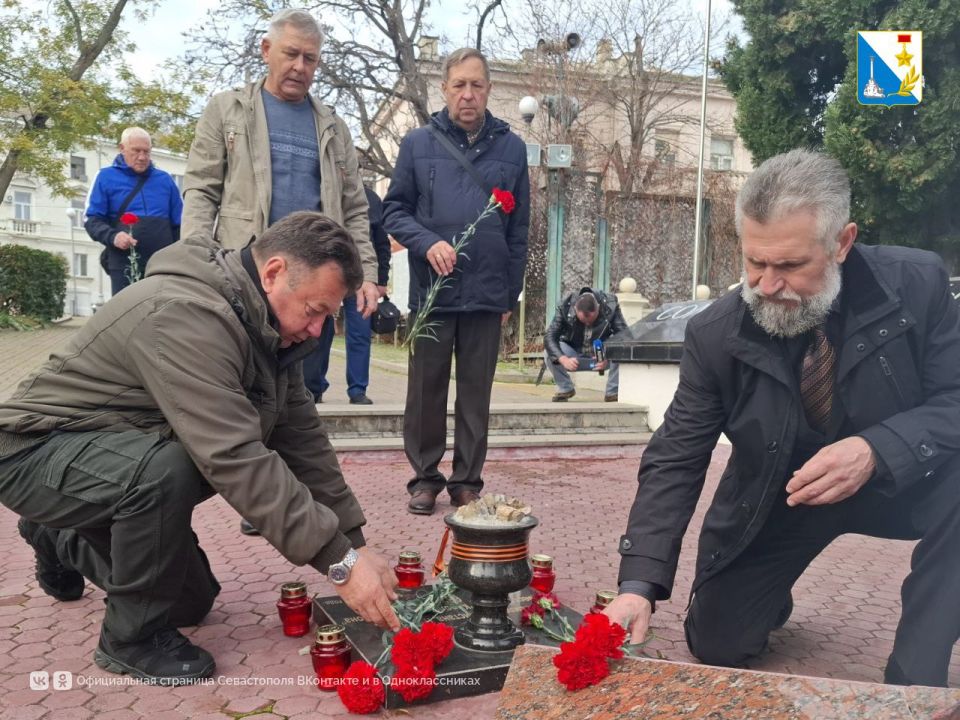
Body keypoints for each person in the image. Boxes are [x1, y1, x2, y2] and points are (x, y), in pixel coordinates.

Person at [604, 149, 960, 688]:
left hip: (900, 482)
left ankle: (914, 681)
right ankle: (770, 593)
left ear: (842, 242)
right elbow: (676, 456)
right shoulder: (714, 334)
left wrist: (878, 449)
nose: (767, 285)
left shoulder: (918, 283)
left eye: (791, 266)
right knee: (718, 641)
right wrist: (638, 584)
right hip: (784, 494)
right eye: (755, 263)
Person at [0, 212, 401, 685]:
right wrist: (341, 564)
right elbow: (234, 455)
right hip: (34, 451)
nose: (317, 330)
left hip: (111, 456)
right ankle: (128, 641)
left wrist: (355, 544)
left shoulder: (267, 331)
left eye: (326, 317)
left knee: (190, 603)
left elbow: (303, 443)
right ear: (273, 273)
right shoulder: (184, 314)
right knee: (169, 469)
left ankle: (58, 537)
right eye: (314, 311)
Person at [181, 8, 379, 534]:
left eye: (310, 58)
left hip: (311, 285)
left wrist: (366, 272)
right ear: (267, 51)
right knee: (243, 390)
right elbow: (201, 187)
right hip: (247, 278)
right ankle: (261, 497)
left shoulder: (332, 126)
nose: (299, 66)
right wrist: (197, 258)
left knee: (301, 393)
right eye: (290, 53)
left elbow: (355, 208)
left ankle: (284, 499)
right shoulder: (227, 110)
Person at [383, 48, 530, 516]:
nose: (468, 94)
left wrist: (509, 294)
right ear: (445, 90)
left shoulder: (512, 149)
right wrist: (426, 242)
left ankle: (466, 483)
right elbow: (394, 212)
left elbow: (519, 229)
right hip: (433, 291)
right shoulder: (417, 143)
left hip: (487, 293)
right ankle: (425, 479)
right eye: (459, 85)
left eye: (477, 85)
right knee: (425, 392)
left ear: (488, 90)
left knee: (475, 395)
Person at [304, 185, 392, 404]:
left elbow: (381, 242)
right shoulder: (321, 188)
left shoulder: (371, 199)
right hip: (327, 272)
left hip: (360, 277)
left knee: (360, 333)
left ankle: (357, 389)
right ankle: (315, 386)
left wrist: (381, 279)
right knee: (319, 329)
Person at [84, 127, 182, 296]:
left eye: (146, 151)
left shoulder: (165, 180)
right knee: (127, 310)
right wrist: (113, 237)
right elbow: (91, 219)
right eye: (136, 151)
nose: (142, 157)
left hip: (162, 265)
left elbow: (180, 223)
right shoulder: (105, 177)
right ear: (122, 148)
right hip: (124, 263)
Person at [544, 287, 627, 402]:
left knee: (621, 347)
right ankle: (565, 388)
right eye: (583, 321)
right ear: (575, 309)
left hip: (601, 357)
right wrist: (563, 359)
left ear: (598, 307)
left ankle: (612, 393)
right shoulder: (565, 305)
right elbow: (549, 337)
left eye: (592, 320)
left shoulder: (610, 305)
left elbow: (624, 336)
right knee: (549, 352)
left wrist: (608, 356)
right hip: (574, 356)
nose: (588, 323)